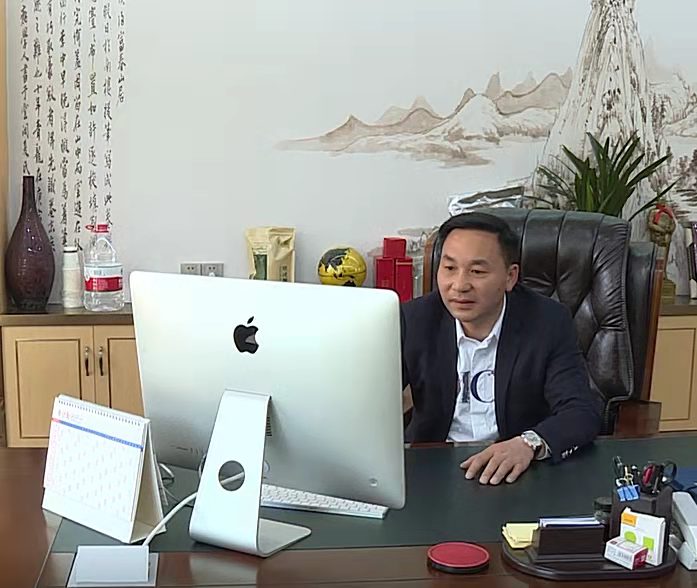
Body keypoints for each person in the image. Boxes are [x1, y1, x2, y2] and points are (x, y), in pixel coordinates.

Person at [400, 212, 601, 485]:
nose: (459, 285)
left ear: (510, 277)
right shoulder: (414, 320)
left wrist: (528, 444)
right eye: (449, 268)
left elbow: (581, 411)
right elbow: (371, 400)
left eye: (477, 271)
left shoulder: (547, 322)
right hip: (434, 471)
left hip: (515, 473)